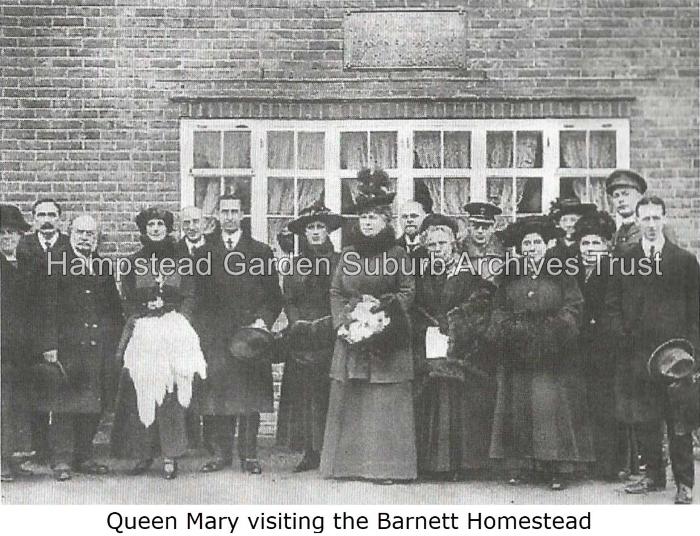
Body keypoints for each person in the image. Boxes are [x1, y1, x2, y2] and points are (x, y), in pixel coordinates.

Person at [320, 168, 416, 483]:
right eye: (364, 217)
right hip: (352, 333)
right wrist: (342, 322)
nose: (369, 222)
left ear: (387, 222)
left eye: (375, 217)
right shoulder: (348, 254)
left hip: (388, 334)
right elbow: (335, 291)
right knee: (354, 397)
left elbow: (407, 290)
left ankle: (386, 467)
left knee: (384, 400)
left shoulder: (397, 253)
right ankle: (347, 466)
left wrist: (382, 312)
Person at [486, 215, 594, 490]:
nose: (532, 247)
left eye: (537, 242)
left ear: (546, 245)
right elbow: (498, 309)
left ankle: (557, 467)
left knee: (550, 407)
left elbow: (574, 307)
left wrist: (554, 330)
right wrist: (509, 329)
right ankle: (520, 465)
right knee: (518, 405)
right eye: (527, 243)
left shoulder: (562, 272)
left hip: (552, 351)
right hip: (518, 349)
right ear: (521, 248)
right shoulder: (510, 274)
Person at [605, 196, 700, 504]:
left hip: (676, 355)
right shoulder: (625, 260)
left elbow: (696, 309)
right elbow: (612, 305)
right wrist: (623, 338)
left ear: (664, 219)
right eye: (644, 219)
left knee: (679, 421)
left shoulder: (684, 261)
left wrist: (693, 352)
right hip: (640, 355)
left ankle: (684, 483)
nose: (650, 225)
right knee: (645, 418)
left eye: (655, 218)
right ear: (637, 220)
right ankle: (653, 476)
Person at [111, 207, 206, 480]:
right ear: (144, 230)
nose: (155, 229)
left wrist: (180, 320)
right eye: (150, 224)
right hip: (144, 329)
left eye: (160, 225)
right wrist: (141, 316)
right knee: (141, 386)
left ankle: (170, 454)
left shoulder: (183, 260)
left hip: (175, 328)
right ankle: (143, 452)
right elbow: (126, 297)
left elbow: (190, 295)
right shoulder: (132, 261)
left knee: (171, 389)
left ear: (167, 229)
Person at [195, 194, 283, 475]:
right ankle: (220, 454)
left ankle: (249, 455)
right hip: (216, 336)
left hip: (250, 337)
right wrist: (203, 332)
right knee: (218, 396)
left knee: (249, 397)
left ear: (243, 214)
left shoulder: (260, 252)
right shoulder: (204, 253)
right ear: (217, 215)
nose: (230, 216)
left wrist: (262, 321)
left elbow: (274, 297)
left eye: (235, 211)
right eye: (225, 211)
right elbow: (196, 297)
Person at [32, 214, 123, 481]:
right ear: (70, 233)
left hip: (98, 346)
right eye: (80, 232)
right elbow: (44, 308)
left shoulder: (102, 265)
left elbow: (113, 307)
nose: (85, 238)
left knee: (94, 402)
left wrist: (117, 341)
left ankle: (83, 456)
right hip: (67, 346)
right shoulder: (55, 261)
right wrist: (48, 345)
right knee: (65, 403)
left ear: (97, 238)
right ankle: (62, 459)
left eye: (91, 234)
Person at [413, 213, 497, 479]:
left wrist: (455, 324)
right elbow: (415, 307)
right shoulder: (423, 276)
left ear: (453, 245)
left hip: (460, 348)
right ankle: (432, 464)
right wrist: (427, 326)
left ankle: (459, 465)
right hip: (429, 344)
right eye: (432, 246)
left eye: (442, 244)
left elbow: (480, 306)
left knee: (456, 403)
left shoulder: (468, 276)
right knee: (431, 399)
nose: (437, 250)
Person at [276, 200, 343, 472]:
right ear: (304, 233)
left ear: (328, 232)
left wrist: (332, 323)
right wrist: (298, 324)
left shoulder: (340, 260)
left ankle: (332, 450)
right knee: (305, 395)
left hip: (330, 332)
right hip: (303, 335)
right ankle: (309, 451)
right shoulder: (295, 264)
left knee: (329, 393)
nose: (315, 232)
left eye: (320, 227)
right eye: (311, 228)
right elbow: (288, 299)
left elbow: (342, 295)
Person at [15, 198, 70, 465]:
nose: (46, 220)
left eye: (51, 215)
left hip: (63, 328)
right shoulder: (23, 246)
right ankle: (38, 447)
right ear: (33, 218)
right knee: (33, 389)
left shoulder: (69, 245)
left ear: (60, 218)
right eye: (41, 215)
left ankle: (61, 451)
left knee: (61, 391)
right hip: (29, 330)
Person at [572, 210, 621, 481]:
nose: (590, 249)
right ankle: (584, 461)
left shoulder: (615, 271)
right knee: (582, 403)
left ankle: (608, 464)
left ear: (606, 246)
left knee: (605, 405)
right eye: (585, 244)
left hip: (606, 346)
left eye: (596, 243)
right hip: (579, 346)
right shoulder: (573, 272)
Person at [0, 205, 32, 481]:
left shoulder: (25, 263)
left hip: (21, 348)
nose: (7, 237)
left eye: (12, 232)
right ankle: (3, 463)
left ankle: (13, 457)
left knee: (16, 402)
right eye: (1, 233)